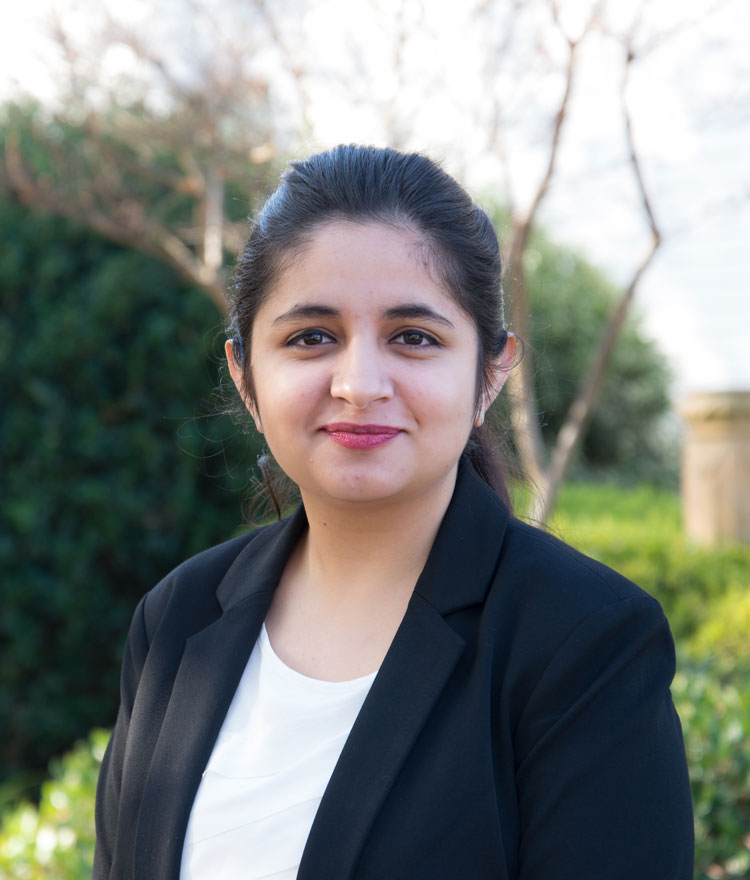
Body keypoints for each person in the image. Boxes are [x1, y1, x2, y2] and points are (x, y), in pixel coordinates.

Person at [94, 144, 694, 880]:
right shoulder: (178, 619)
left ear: (489, 375)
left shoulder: (585, 644)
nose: (359, 383)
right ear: (245, 376)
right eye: (312, 337)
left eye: (414, 337)